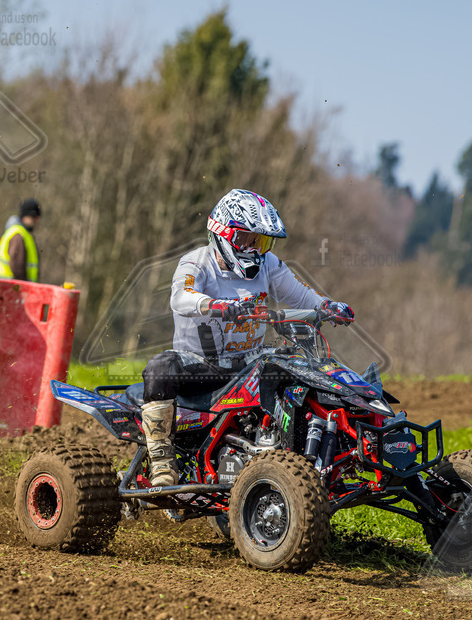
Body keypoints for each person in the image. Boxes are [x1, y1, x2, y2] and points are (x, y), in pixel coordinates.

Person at [140, 188, 355, 486]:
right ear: (222, 233)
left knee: (300, 366)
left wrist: (328, 307)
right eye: (247, 240)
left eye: (261, 241)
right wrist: (216, 306)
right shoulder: (196, 263)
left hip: (251, 362)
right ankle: (162, 460)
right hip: (203, 365)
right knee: (160, 367)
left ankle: (314, 455)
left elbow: (300, 294)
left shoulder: (267, 264)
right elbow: (180, 297)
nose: (254, 250)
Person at [0, 198, 41, 281]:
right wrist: (26, 288)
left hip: (3, 287)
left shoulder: (21, 233)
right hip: (7, 287)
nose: (36, 221)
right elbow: (17, 267)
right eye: (33, 217)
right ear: (25, 216)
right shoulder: (18, 236)